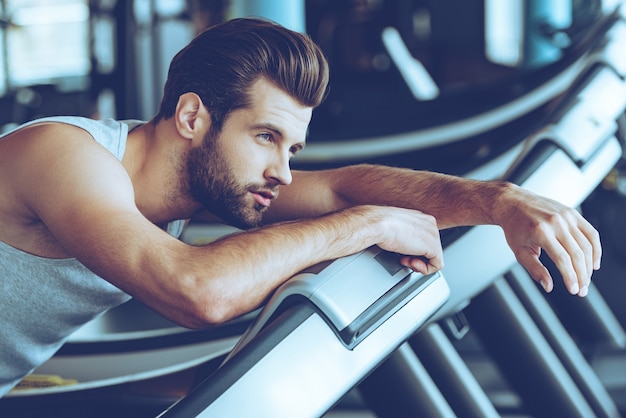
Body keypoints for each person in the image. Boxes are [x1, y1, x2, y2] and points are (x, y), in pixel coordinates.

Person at [0, 17, 600, 397]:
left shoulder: (193, 178)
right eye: (265, 137)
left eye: (292, 148)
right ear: (191, 117)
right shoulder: (63, 155)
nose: (282, 172)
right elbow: (196, 288)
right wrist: (367, 226)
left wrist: (499, 201)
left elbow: (343, 187)